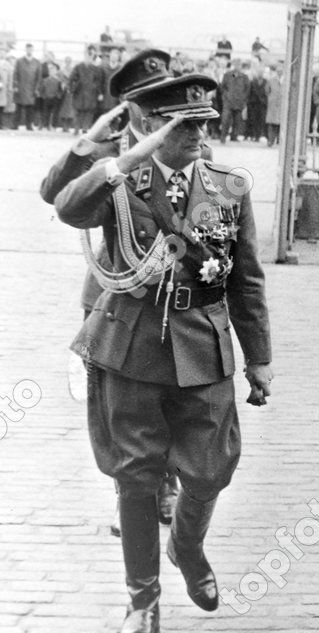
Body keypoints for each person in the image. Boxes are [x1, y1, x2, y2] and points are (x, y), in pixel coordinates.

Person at [53, 72, 272, 633]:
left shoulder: (227, 186)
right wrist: (127, 158)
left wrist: (261, 359)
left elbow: (246, 277)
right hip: (131, 347)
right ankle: (142, 601)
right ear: (152, 127)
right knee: (137, 477)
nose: (200, 133)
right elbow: (67, 207)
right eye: (185, 125)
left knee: (210, 470)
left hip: (203, 342)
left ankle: (189, 548)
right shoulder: (123, 180)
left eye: (204, 122)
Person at [41, 48, 210, 538]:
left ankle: (169, 486)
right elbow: (55, 194)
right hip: (110, 297)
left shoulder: (190, 145)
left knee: (171, 394)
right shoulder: (107, 149)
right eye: (143, 101)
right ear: (130, 106)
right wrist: (88, 142)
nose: (154, 110)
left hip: (169, 303)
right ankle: (131, 495)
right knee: (123, 414)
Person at [13, 43, 42, 130]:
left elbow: (38, 77)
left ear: (33, 50)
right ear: (25, 50)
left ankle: (28, 125)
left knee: (30, 108)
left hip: (31, 88)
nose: (29, 51)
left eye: (31, 49)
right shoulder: (19, 61)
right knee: (18, 107)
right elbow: (15, 74)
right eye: (27, 49)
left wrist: (37, 88)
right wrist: (15, 86)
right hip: (21, 87)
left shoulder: (37, 62)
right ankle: (15, 125)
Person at [220, 59, 249, 142]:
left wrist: (243, 99)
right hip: (228, 102)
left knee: (237, 120)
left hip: (239, 102)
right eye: (236, 64)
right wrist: (225, 97)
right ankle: (223, 136)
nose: (237, 66)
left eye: (239, 64)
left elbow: (247, 89)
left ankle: (234, 136)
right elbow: (223, 87)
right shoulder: (228, 75)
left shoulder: (244, 77)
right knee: (225, 119)